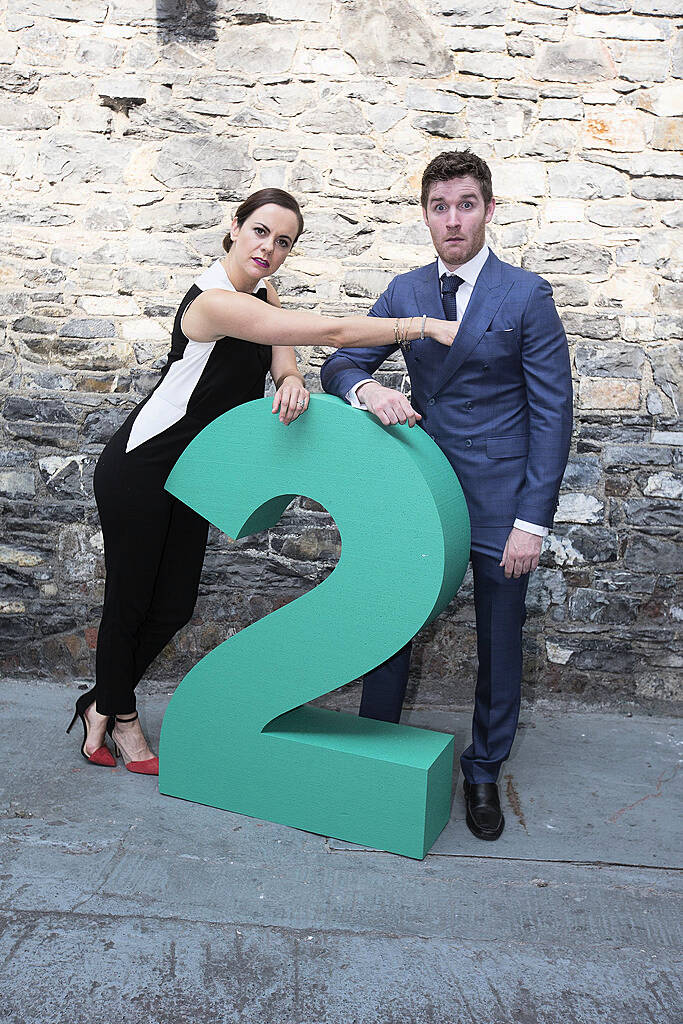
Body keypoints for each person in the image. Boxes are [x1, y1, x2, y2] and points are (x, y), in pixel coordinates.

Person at [67, 186, 458, 776]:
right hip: (143, 467)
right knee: (130, 600)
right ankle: (120, 720)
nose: (269, 249)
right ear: (234, 226)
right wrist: (421, 324)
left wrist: (292, 376)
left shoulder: (263, 294)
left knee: (173, 605)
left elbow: (280, 350)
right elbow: (329, 333)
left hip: (196, 471)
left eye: (283, 242)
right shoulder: (212, 301)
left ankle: (98, 699)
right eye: (260, 233)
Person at [321, 151, 573, 841]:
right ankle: (372, 754)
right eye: (439, 206)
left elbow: (552, 414)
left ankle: (483, 770)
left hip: (501, 497)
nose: (452, 219)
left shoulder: (526, 295)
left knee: (498, 639)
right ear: (425, 214)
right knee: (392, 619)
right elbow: (339, 359)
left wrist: (532, 521)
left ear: (489, 210)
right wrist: (366, 388)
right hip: (421, 486)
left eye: (465, 204)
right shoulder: (403, 292)